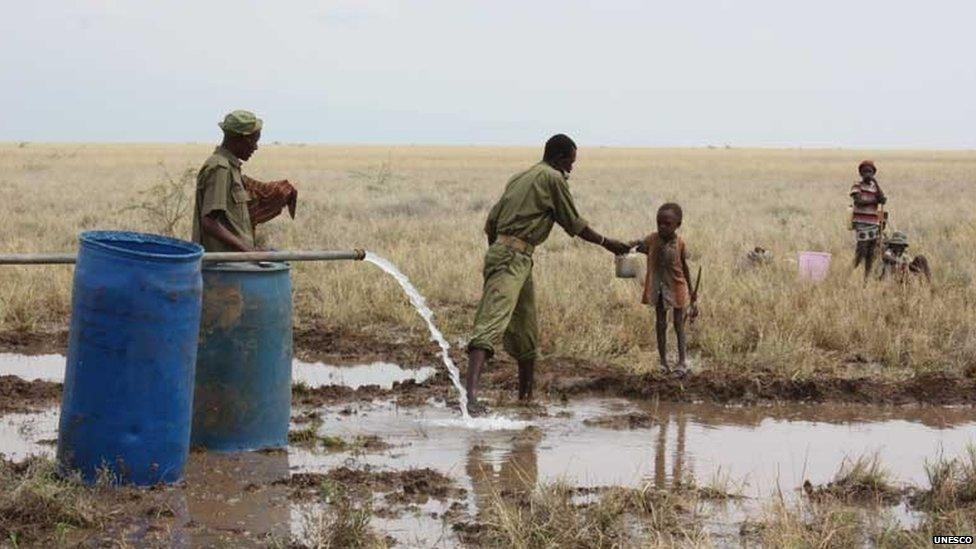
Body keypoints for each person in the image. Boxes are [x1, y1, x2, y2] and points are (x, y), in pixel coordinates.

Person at [464, 134, 631, 414]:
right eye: (570, 162)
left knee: (526, 329)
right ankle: (469, 399)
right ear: (559, 158)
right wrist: (608, 243)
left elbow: (491, 221)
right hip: (511, 259)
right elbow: (575, 224)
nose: (571, 168)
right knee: (489, 325)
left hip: (516, 257)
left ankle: (525, 399)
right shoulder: (553, 179)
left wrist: (499, 251)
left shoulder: (521, 177)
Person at [192, 110, 297, 252]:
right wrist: (249, 252)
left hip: (236, 263)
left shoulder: (231, 168)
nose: (255, 147)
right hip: (223, 266)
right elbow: (209, 222)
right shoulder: (219, 168)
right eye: (253, 141)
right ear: (239, 139)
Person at [629, 203, 696, 374]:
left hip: (677, 286)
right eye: (659, 223)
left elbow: (685, 267)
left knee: (679, 323)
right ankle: (663, 362)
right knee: (660, 323)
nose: (662, 227)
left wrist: (691, 290)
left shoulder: (679, 243)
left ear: (678, 225)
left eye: (667, 224)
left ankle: (682, 362)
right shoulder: (652, 239)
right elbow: (639, 246)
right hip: (658, 287)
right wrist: (628, 246)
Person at [849, 160, 887, 280]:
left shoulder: (874, 187)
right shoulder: (857, 185)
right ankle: (849, 273)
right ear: (860, 173)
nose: (868, 174)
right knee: (861, 251)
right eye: (865, 171)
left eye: (870, 172)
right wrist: (875, 201)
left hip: (873, 223)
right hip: (861, 223)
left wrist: (876, 183)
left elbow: (883, 199)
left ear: (874, 173)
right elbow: (858, 202)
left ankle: (866, 278)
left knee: (871, 253)